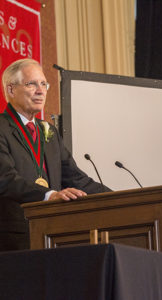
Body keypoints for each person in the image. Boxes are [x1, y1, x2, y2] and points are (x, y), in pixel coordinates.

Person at [0, 59, 111, 251]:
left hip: (54, 236)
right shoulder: (2, 127)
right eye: (31, 84)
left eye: (43, 84)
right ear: (11, 90)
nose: (41, 91)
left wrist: (119, 198)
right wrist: (49, 195)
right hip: (13, 239)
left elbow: (76, 180)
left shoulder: (48, 132)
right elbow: (5, 179)